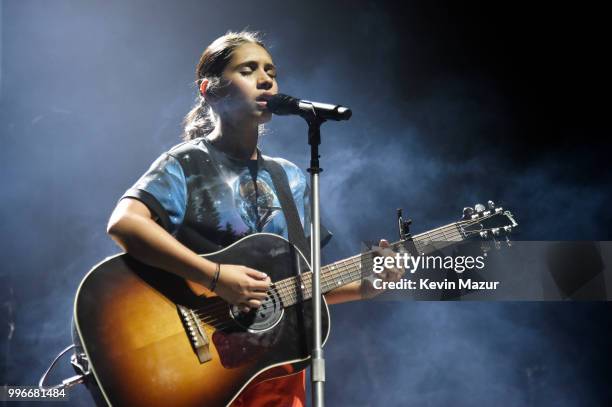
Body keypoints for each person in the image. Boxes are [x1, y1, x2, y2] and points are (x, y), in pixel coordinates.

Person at [107, 30, 401, 407]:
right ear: (209, 90)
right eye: (248, 70)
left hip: (279, 383)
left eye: (271, 71)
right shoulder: (187, 163)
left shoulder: (291, 177)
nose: (266, 80)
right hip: (207, 381)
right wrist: (215, 277)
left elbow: (301, 286)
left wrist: (369, 285)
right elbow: (125, 224)